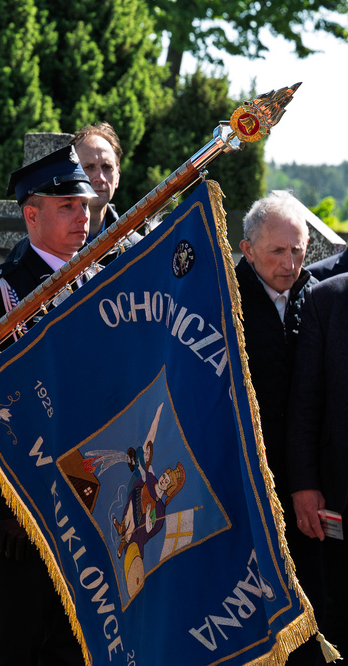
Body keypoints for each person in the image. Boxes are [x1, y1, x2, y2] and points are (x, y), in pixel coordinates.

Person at [0, 145, 95, 666]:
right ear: (31, 215)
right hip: (30, 499)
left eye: (86, 206)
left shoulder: (98, 276)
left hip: (94, 487)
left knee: (78, 644)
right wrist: (10, 506)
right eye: (67, 206)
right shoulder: (3, 288)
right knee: (17, 642)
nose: (82, 217)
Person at [235, 191, 324, 663]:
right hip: (241, 481)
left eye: (298, 250)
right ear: (247, 250)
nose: (290, 263)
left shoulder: (317, 296)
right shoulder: (221, 300)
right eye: (277, 251)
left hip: (304, 483)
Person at [287, 270, 348, 657]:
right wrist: (304, 484)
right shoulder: (326, 299)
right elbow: (304, 403)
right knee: (341, 614)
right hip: (341, 498)